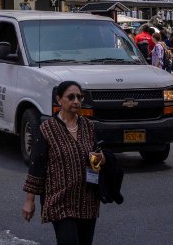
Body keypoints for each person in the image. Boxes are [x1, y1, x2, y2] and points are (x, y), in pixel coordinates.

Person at [23, 81, 111, 245]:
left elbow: (98, 156)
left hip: (87, 200)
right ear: (59, 99)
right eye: (71, 97)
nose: (76, 101)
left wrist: (101, 158)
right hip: (60, 200)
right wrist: (30, 200)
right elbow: (36, 165)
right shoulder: (47, 129)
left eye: (79, 97)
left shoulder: (88, 126)